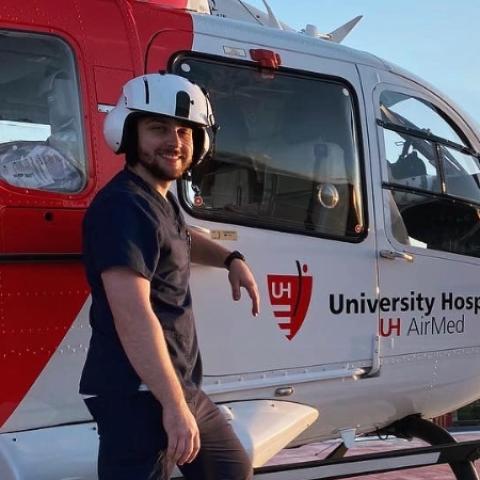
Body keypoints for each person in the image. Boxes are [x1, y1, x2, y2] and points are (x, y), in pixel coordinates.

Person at [79, 73, 260, 480]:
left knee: (229, 471)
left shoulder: (155, 201)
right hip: (139, 392)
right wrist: (173, 406)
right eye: (158, 128)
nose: (174, 141)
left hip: (176, 386)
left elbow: (179, 237)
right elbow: (133, 315)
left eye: (184, 131)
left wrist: (231, 257)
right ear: (128, 134)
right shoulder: (123, 207)